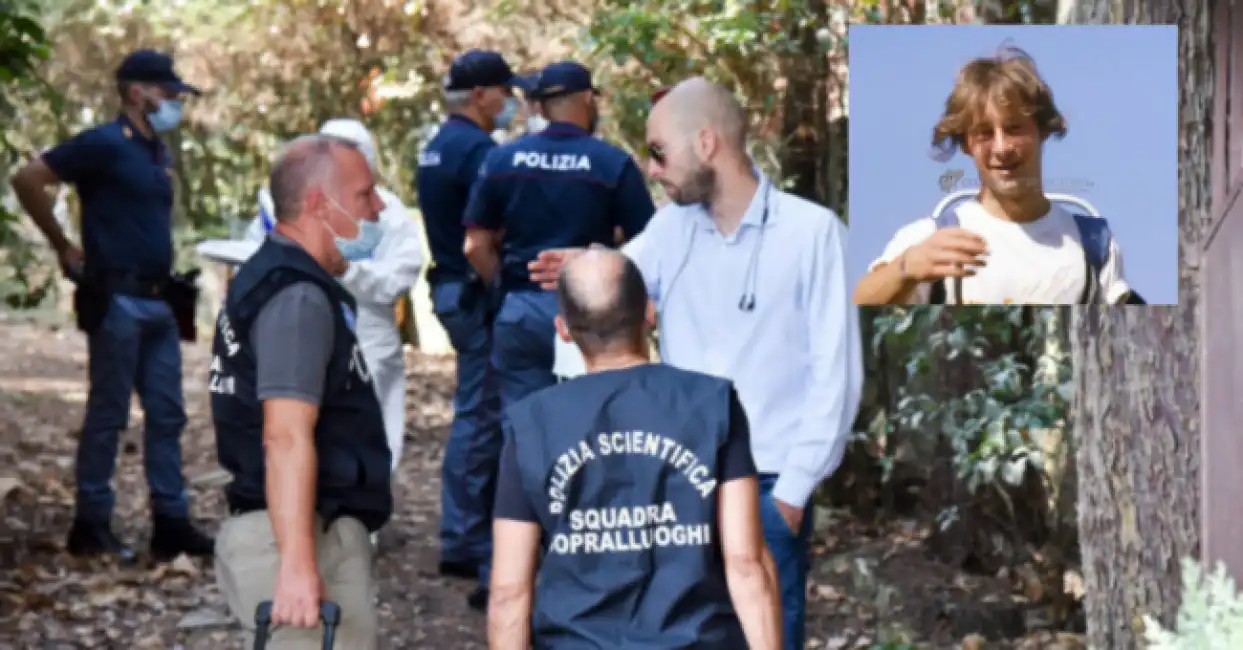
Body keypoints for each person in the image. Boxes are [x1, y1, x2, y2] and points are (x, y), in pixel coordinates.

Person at [528, 77, 864, 650]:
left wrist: (792, 495)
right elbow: (595, 309)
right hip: (674, 485)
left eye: (659, 153)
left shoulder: (814, 235)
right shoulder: (668, 231)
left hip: (768, 485)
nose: (652, 170)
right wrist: (588, 265)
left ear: (706, 143)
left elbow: (838, 375)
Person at [488, 249, 783, 650]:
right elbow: (747, 563)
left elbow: (509, 591)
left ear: (563, 330)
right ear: (649, 313)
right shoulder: (711, 403)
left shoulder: (530, 425)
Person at [462, 59, 656, 608]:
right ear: (587, 99)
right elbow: (649, 248)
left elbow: (476, 245)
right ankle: (596, 569)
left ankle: (503, 569)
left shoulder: (502, 160)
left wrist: (506, 290)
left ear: (542, 104)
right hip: (592, 315)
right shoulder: (611, 163)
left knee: (520, 436)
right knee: (597, 436)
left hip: (522, 310)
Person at [9, 49, 213, 563]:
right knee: (109, 414)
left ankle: (170, 521)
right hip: (117, 299)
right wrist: (61, 243)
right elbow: (29, 179)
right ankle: (92, 523)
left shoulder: (156, 153)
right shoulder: (103, 143)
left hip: (160, 302)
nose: (175, 104)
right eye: (168, 94)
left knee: (167, 415)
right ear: (137, 92)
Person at [210, 134, 392, 649]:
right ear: (319, 204)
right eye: (365, 194)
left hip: (296, 526)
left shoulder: (272, 276)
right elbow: (285, 436)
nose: (378, 206)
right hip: (294, 535)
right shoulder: (297, 298)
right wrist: (296, 563)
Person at [852, 45, 1139, 305]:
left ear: (1043, 131)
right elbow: (858, 304)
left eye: (1014, 128)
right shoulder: (932, 238)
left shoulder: (1093, 244)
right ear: (966, 144)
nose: (1001, 148)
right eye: (984, 133)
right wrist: (906, 268)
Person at [244, 118, 424, 473]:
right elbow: (255, 257)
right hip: (300, 330)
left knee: (373, 427)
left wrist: (348, 271)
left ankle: (365, 517)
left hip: (369, 336)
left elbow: (398, 277)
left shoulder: (386, 212)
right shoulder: (286, 208)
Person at [416, 49, 524, 595]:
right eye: (505, 91)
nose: (511, 102)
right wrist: (503, 283)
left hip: (449, 287)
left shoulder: (437, 146)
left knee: (473, 410)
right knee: (483, 414)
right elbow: (486, 231)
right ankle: (464, 538)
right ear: (480, 94)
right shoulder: (478, 149)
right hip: (473, 290)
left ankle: (463, 531)